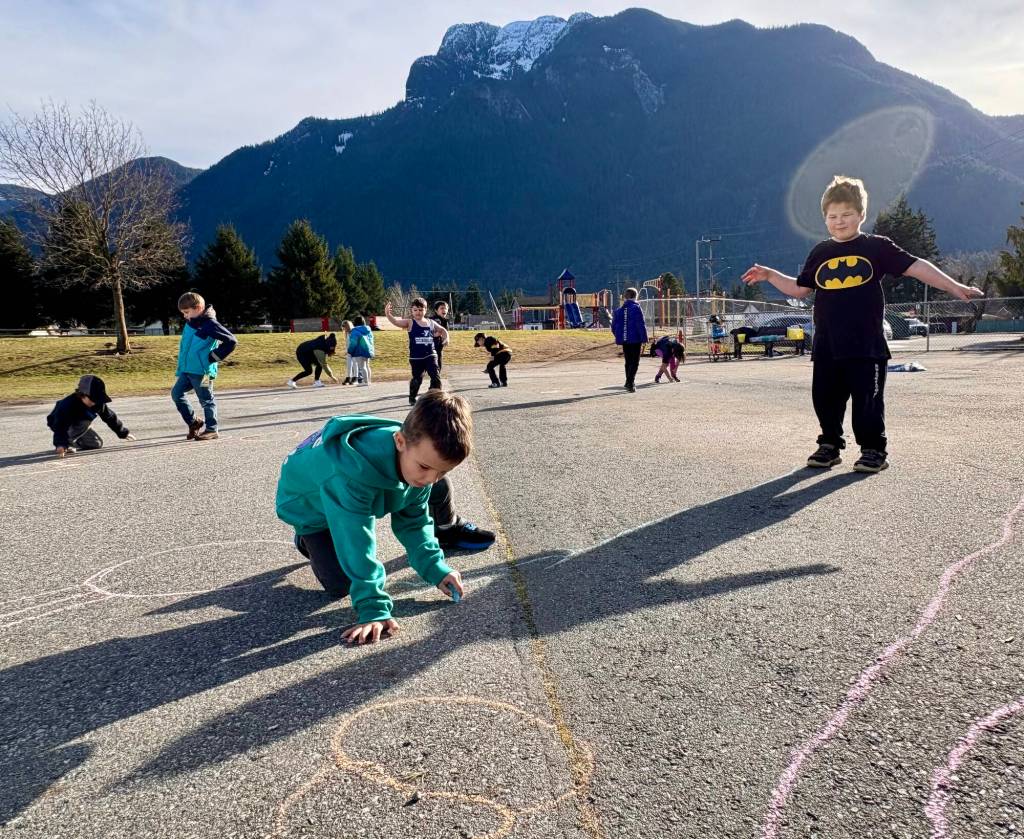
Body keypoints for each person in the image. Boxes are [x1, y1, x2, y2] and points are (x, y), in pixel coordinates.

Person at [742, 174, 983, 473]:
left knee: (867, 401)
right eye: (833, 216)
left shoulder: (876, 247)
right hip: (828, 343)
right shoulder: (821, 252)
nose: (839, 221)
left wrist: (953, 286)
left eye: (846, 215)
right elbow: (800, 289)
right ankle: (829, 445)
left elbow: (917, 266)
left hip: (866, 344)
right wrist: (770, 275)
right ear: (825, 218)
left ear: (861, 215)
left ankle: (873, 450)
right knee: (825, 398)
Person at [275, 390, 496, 645]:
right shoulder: (351, 475)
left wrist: (436, 568)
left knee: (431, 486)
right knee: (340, 584)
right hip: (307, 505)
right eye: (425, 467)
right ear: (400, 441)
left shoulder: (417, 456)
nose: (429, 480)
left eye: (443, 470)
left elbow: (414, 524)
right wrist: (372, 607)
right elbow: (355, 540)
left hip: (351, 491)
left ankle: (324, 541)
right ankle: (307, 539)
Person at [172, 292, 237, 441]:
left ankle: (212, 429)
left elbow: (231, 341)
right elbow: (184, 348)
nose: (185, 316)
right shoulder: (190, 324)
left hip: (203, 372)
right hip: (187, 370)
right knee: (176, 394)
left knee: (206, 400)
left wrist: (213, 357)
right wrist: (180, 369)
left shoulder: (210, 324)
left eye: (187, 312)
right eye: (183, 313)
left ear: (199, 308)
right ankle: (194, 422)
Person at [47, 374, 136, 457]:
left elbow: (109, 417)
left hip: (80, 425)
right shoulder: (67, 405)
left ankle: (73, 441)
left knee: (96, 444)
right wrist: (61, 444)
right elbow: (60, 426)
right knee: (84, 423)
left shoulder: (98, 403)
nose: (95, 402)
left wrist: (122, 432)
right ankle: (67, 444)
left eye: (97, 399)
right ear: (82, 395)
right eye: (93, 399)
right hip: (57, 422)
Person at [384, 298, 449, 406]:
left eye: (420, 309)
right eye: (415, 310)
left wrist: (446, 338)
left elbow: (443, 330)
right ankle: (412, 397)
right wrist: (388, 314)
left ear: (425, 310)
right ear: (411, 311)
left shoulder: (431, 322)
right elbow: (395, 322)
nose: (418, 312)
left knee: (436, 376)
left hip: (430, 354)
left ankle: (436, 397)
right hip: (416, 357)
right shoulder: (410, 323)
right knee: (417, 379)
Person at [611, 287, 648, 392]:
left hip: (625, 340)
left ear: (625, 297)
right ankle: (630, 382)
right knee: (635, 362)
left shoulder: (618, 311)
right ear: (635, 296)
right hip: (636, 339)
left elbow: (613, 327)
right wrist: (644, 338)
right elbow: (640, 324)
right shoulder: (636, 308)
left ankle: (628, 381)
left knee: (628, 361)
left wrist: (620, 336)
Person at [347, 316, 375, 386]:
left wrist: (350, 351)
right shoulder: (368, 329)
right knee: (367, 366)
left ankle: (365, 382)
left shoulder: (355, 331)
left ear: (355, 322)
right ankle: (369, 381)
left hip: (359, 350)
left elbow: (353, 342)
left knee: (362, 366)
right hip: (368, 349)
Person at [432, 301, 450, 371]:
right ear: (436, 311)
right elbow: (438, 332)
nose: (444, 310)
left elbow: (444, 332)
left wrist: (444, 338)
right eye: (442, 308)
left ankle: (437, 373)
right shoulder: (435, 319)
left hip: (439, 345)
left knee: (438, 357)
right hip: (432, 344)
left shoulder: (444, 320)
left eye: (446, 308)